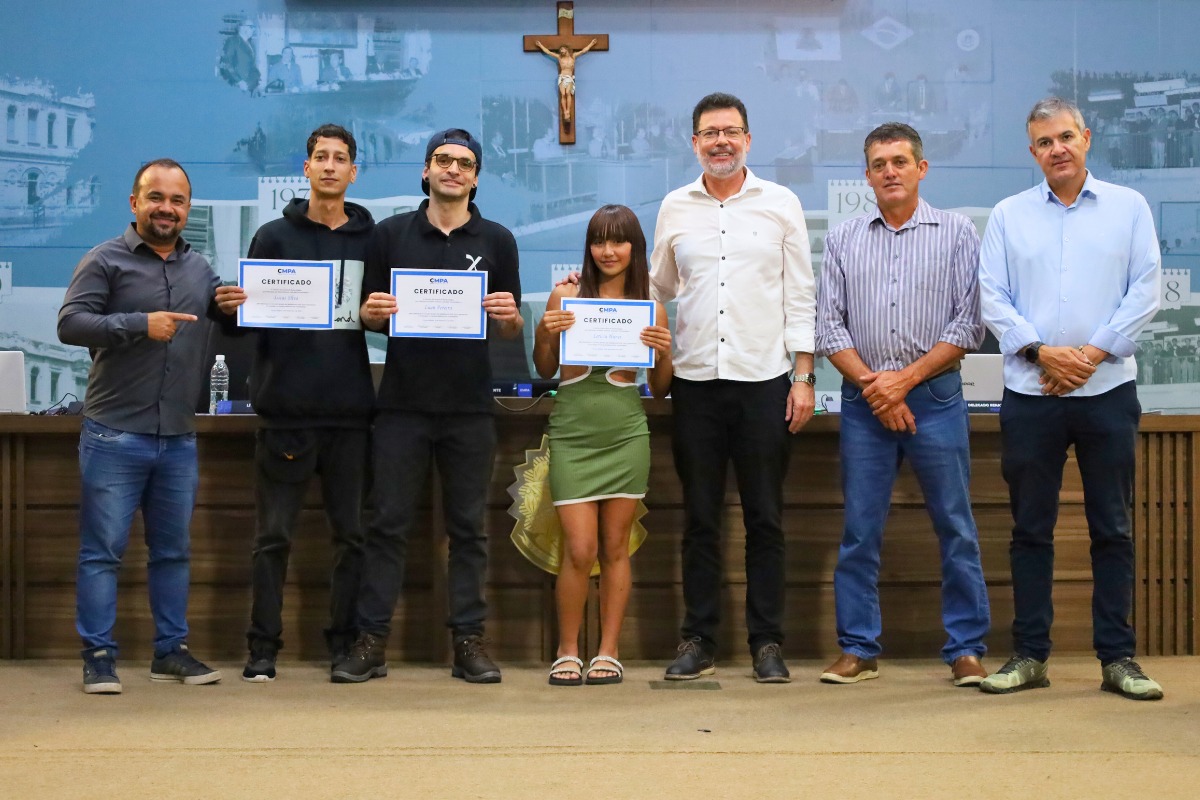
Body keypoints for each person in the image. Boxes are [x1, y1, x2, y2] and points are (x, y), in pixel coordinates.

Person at [978, 97, 1163, 700]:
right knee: (1031, 529)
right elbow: (993, 297)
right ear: (1031, 152)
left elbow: (1145, 289)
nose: (1056, 149)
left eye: (1065, 137)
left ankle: (1118, 660)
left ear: (1086, 138)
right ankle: (1030, 655)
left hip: (1106, 390)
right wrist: (1042, 353)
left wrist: (1090, 356)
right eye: (1043, 142)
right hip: (1030, 394)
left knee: (1112, 528)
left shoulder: (1129, 208)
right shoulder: (1008, 214)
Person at [333, 129, 523, 684]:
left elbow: (509, 330)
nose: (453, 170)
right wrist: (373, 311)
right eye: (443, 161)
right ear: (426, 170)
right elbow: (370, 317)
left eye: (464, 164)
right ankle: (371, 642)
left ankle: (468, 642)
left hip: (468, 408)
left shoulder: (498, 240)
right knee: (387, 525)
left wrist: (507, 313)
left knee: (469, 531)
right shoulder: (389, 235)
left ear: (476, 177)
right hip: (401, 406)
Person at [814, 122, 991, 687]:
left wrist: (904, 381)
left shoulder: (959, 232)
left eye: (900, 161)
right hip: (864, 404)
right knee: (860, 531)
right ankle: (858, 648)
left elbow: (970, 323)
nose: (889, 171)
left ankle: (965, 648)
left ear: (922, 169)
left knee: (955, 527)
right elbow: (828, 326)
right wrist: (877, 387)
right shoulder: (844, 238)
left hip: (935, 398)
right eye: (878, 163)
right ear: (866, 176)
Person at [651, 92, 816, 683]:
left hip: (764, 383)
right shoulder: (674, 207)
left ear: (748, 139)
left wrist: (803, 377)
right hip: (694, 384)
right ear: (694, 142)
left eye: (731, 131)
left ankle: (767, 643)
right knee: (699, 519)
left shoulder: (781, 204)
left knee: (765, 519)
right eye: (709, 132)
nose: (721, 140)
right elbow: (659, 290)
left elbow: (800, 295)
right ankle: (699, 639)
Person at [214, 124, 375, 683]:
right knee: (273, 538)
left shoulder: (370, 240)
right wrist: (230, 308)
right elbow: (244, 324)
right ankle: (262, 648)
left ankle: (343, 644)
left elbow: (382, 315)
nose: (330, 166)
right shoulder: (272, 238)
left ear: (354, 172)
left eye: (340, 159)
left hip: (352, 413)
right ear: (306, 168)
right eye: (320, 158)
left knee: (352, 538)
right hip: (285, 412)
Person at [57, 159, 222, 694]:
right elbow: (70, 324)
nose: (166, 208)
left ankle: (170, 652)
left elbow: (227, 317)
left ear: (186, 209)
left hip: (177, 436)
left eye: (176, 200)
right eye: (156, 197)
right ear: (134, 203)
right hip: (114, 434)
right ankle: (99, 656)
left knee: (173, 552)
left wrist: (239, 304)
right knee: (102, 552)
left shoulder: (201, 269)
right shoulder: (104, 260)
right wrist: (137, 324)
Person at [533, 205, 672, 686]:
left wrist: (663, 349)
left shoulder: (649, 306)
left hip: (626, 434)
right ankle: (567, 649)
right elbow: (545, 368)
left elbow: (660, 385)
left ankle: (608, 651)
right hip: (573, 433)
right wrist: (544, 331)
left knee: (615, 547)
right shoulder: (565, 294)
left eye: (618, 241)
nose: (607, 251)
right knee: (579, 547)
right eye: (598, 241)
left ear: (634, 247)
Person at [534, 38, 599, 126]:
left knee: (568, 93)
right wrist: (540, 45)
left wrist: (591, 44)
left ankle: (568, 110)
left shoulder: (573, 56)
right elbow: (549, 52)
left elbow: (584, 51)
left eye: (562, 49)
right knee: (563, 94)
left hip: (569, 77)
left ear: (566, 49)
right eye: (560, 50)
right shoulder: (560, 58)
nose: (561, 51)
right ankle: (565, 111)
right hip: (562, 77)